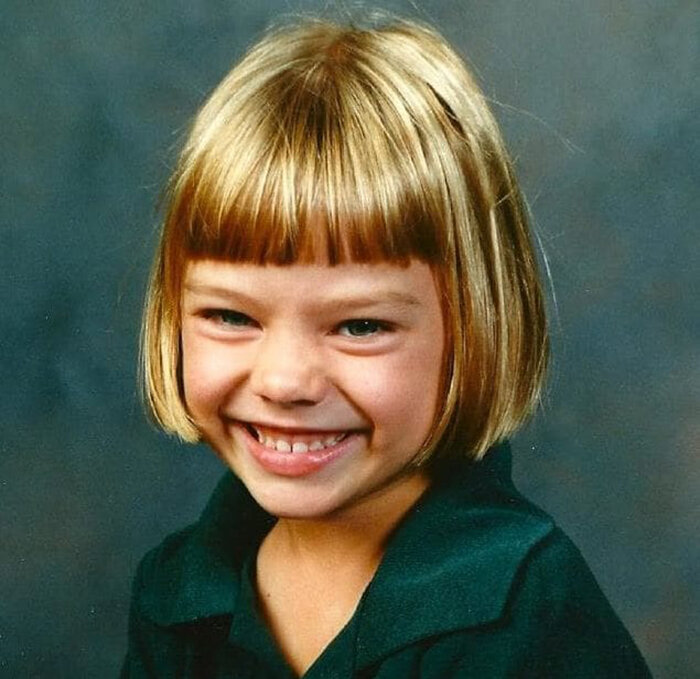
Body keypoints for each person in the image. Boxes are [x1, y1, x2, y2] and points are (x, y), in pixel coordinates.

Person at [122, 17, 651, 678]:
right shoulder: (177, 590)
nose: (284, 381)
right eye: (230, 316)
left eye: (359, 326)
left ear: (473, 329)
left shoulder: (526, 615)